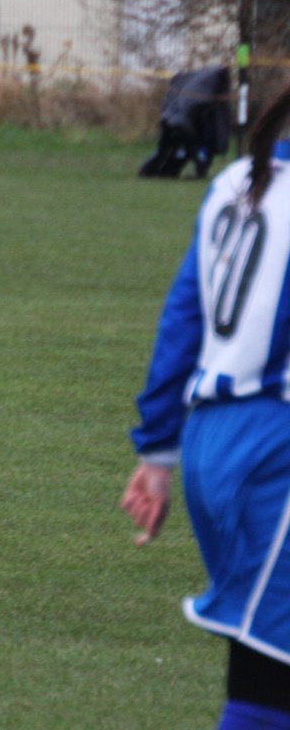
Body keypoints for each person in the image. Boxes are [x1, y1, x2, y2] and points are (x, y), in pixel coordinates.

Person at [122, 85, 290, 729]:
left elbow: (182, 319)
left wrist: (159, 453)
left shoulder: (235, 180)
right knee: (267, 692)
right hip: (275, 449)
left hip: (213, 444)